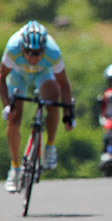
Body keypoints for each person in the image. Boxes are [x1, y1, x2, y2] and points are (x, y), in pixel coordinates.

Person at [1, 21, 74, 192]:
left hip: (43, 73)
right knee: (14, 118)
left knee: (52, 101)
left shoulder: (53, 51)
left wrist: (68, 114)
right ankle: (15, 167)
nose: (33, 58)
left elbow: (64, 85)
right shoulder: (13, 47)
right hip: (18, 75)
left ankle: (49, 146)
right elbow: (1, 78)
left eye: (37, 53)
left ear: (44, 48)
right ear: (22, 48)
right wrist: (7, 106)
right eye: (29, 53)